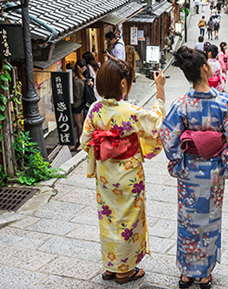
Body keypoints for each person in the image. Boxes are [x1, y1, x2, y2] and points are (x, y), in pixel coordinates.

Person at [159, 46, 228, 289]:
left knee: (187, 220)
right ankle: (205, 273)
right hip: (214, 172)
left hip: (189, 172)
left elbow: (168, 137)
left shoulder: (181, 104)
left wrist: (179, 160)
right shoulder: (224, 103)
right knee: (209, 219)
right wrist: (225, 160)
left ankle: (186, 273)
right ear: (205, 68)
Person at [80, 57, 166, 285]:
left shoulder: (95, 109)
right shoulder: (131, 111)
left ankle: (111, 266)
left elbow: (84, 141)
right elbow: (156, 125)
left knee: (108, 218)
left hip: (105, 174)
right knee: (129, 217)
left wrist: (105, 144)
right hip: (129, 175)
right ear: (122, 84)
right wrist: (160, 90)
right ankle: (125, 270)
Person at [67, 62, 86, 151]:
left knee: (79, 124)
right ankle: (81, 141)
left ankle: (80, 142)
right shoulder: (82, 80)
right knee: (80, 124)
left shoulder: (76, 82)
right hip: (81, 104)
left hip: (77, 105)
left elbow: (76, 95)